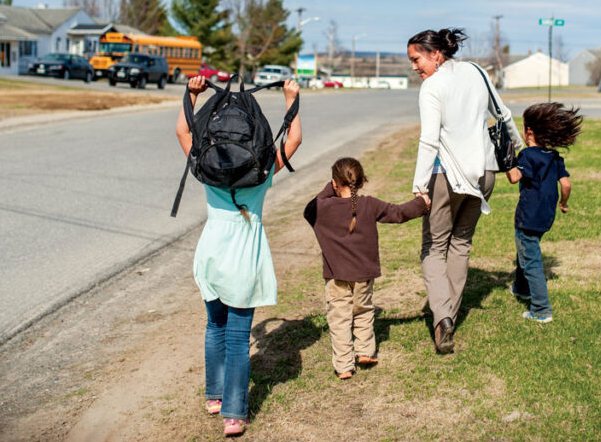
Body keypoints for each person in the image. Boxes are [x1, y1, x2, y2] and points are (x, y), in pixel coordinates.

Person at [175, 75, 302, 438]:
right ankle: (234, 413)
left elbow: (183, 132)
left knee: (214, 327)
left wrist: (192, 94)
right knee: (237, 338)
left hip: (210, 258)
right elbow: (294, 138)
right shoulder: (261, 172)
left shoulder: (205, 168)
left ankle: (214, 397)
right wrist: (291, 98)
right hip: (244, 262)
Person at [407, 28, 523, 354]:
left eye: (417, 59)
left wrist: (420, 187)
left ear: (436, 55)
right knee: (461, 244)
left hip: (446, 177)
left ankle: (441, 316)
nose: (415, 67)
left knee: (433, 247)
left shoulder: (432, 87)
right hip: (485, 174)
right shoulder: (477, 72)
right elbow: (505, 115)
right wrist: (522, 152)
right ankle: (449, 318)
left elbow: (429, 140)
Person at [303, 157, 430, 379]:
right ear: (362, 182)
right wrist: (421, 203)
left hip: (336, 276)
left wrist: (330, 187)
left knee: (339, 318)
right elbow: (398, 212)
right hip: (364, 274)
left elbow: (309, 208)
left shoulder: (322, 207)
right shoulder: (369, 204)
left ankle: (344, 366)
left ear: (334, 183)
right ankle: (365, 351)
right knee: (363, 310)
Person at [506, 102, 582, 323]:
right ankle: (521, 288)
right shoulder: (554, 156)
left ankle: (541, 310)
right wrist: (564, 203)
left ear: (529, 131)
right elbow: (566, 184)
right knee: (526, 250)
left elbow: (514, 178)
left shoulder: (528, 155)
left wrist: (507, 158)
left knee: (531, 260)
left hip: (527, 216)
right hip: (546, 216)